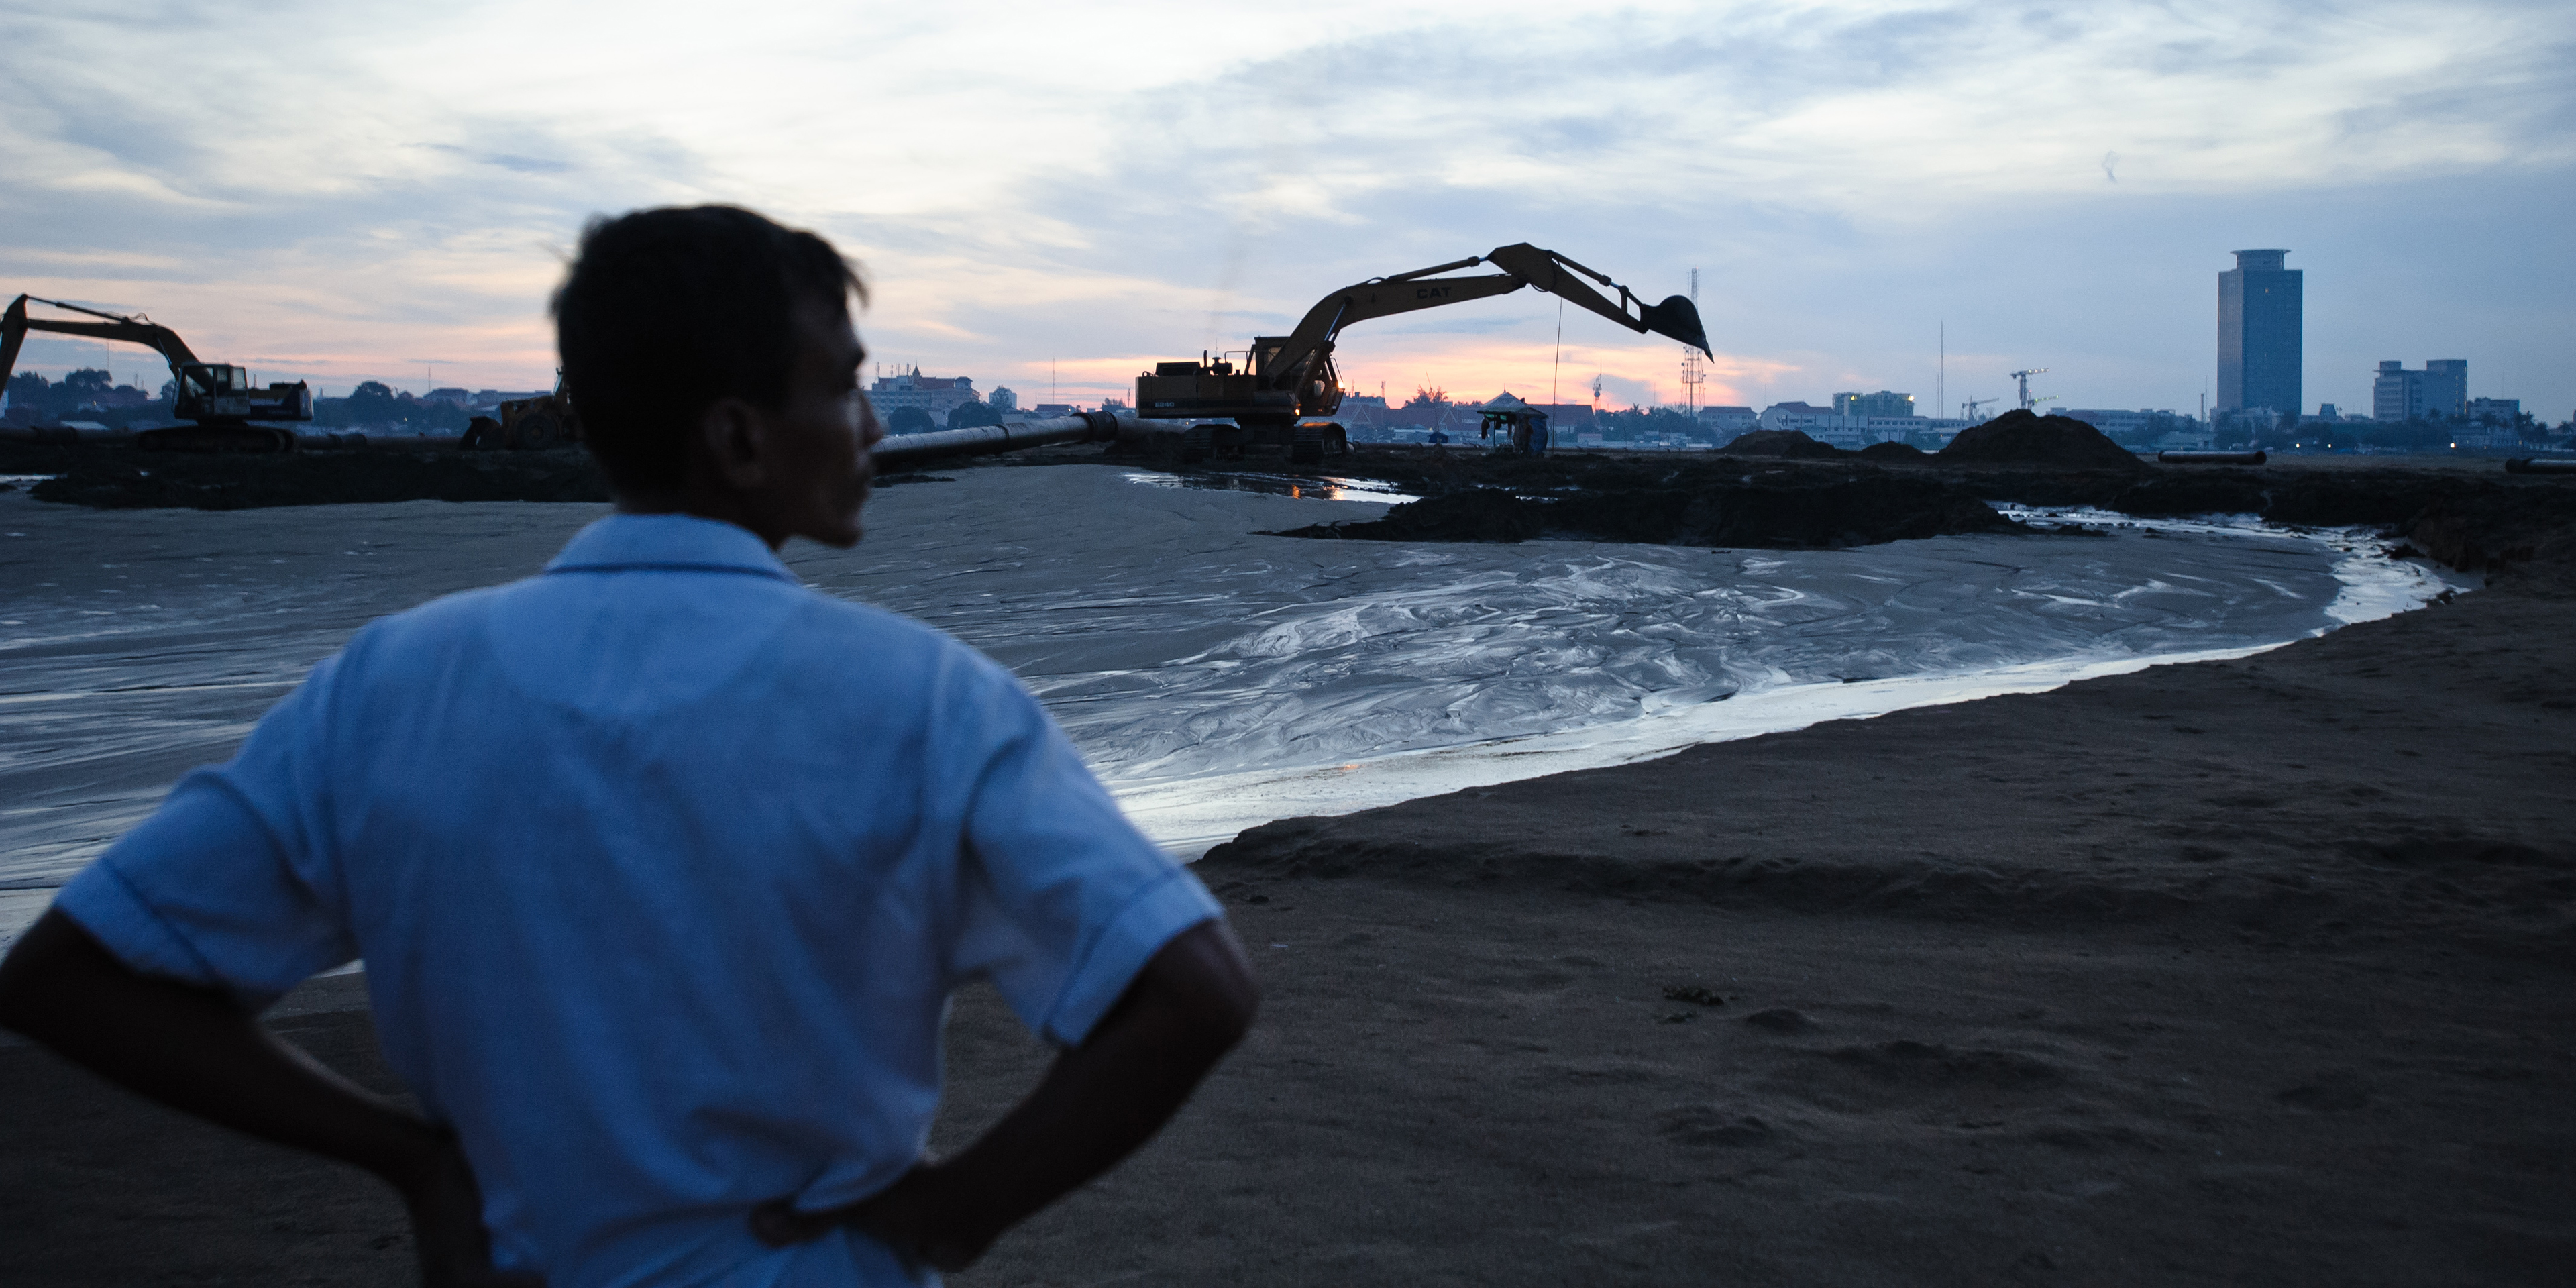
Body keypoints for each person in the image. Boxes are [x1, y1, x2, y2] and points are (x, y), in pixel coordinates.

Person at [0, 205, 1258, 1287]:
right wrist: (950, 1215)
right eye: (845, 385)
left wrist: (408, 1155)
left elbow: (75, 972)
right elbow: (1194, 990)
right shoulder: (927, 702)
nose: (874, 428)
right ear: (737, 438)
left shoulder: (395, 685)